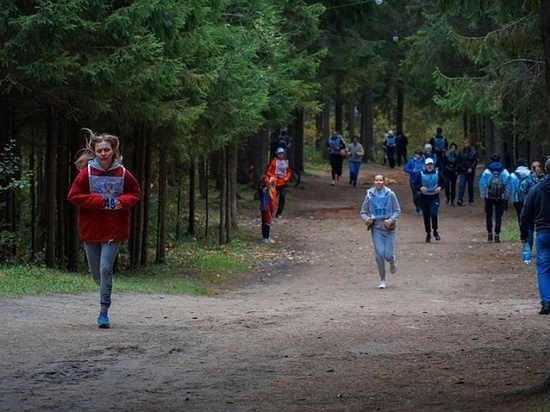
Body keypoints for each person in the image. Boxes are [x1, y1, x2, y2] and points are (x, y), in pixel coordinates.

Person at [67, 128, 141, 329]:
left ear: (113, 150)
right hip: (91, 229)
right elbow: (73, 196)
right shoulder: (87, 173)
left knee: (106, 268)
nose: (103, 154)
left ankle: (103, 312)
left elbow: (135, 193)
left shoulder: (123, 173)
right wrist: (99, 201)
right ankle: (105, 290)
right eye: (99, 150)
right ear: (94, 151)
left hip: (113, 229)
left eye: (107, 150)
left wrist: (121, 202)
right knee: (97, 275)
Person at [360, 174, 401, 289]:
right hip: (376, 228)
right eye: (376, 180)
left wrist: (391, 220)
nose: (378, 182)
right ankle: (382, 279)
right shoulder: (369, 194)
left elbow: (397, 210)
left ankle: (392, 260)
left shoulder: (391, 194)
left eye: (380, 180)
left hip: (389, 228)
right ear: (374, 182)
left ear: (384, 182)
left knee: (387, 254)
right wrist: (366, 219)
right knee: (379, 254)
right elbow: (363, 212)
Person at [520, 157, 550, 314]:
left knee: (544, 269)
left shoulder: (536, 189)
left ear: (546, 170)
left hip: (543, 233)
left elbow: (525, 214)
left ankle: (546, 302)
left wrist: (524, 233)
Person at [478, 153, 511, 243]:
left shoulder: (487, 171)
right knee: (498, 216)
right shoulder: (504, 171)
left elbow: (482, 184)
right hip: (500, 197)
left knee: (489, 215)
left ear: (491, 160)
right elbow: (508, 185)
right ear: (500, 160)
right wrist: (506, 196)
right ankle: (497, 235)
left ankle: (489, 234)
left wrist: (483, 195)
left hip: (489, 196)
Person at [414, 157, 446, 242]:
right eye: (428, 165)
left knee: (434, 214)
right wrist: (420, 188)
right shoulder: (420, 174)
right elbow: (415, 185)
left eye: (431, 164)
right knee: (426, 216)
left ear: (433, 165)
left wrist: (440, 187)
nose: (429, 166)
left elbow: (444, 183)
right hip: (424, 198)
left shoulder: (437, 173)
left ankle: (435, 231)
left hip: (434, 197)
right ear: (425, 166)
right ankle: (428, 233)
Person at [265, 147, 293, 218]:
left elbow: (289, 171)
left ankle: (279, 213)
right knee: (272, 199)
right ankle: (270, 212)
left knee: (282, 197)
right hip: (274, 183)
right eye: (279, 153)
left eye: (282, 153)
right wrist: (273, 176)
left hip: (283, 182)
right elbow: (268, 171)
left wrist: (287, 177)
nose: (281, 155)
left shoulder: (286, 162)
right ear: (277, 154)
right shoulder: (273, 162)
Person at [456, 139, 478, 206]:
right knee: (461, 185)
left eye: (467, 143)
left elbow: (475, 161)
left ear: (469, 143)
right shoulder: (461, 153)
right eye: (464, 143)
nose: (465, 144)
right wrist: (458, 170)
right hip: (463, 171)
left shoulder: (473, 152)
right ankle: (460, 199)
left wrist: (471, 168)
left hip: (470, 171)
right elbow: (458, 161)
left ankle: (471, 200)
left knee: (470, 186)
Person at [403, 148, 425, 215]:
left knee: (421, 194)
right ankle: (417, 206)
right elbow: (405, 168)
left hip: (422, 180)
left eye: (419, 155)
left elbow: (429, 167)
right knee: (415, 195)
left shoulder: (424, 161)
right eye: (417, 155)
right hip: (413, 180)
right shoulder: (411, 161)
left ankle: (421, 208)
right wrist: (412, 171)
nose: (418, 156)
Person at [258, 175, 278, 243]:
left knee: (264, 222)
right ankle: (266, 237)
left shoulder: (262, 189)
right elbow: (272, 201)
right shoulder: (268, 190)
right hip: (267, 208)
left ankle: (264, 237)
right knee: (267, 222)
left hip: (263, 208)